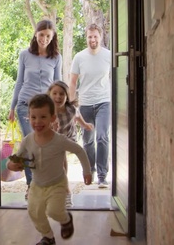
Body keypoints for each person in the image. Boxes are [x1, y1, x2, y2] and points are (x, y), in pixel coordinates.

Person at [7, 94, 92, 245]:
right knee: (34, 212)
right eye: (33, 117)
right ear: (28, 118)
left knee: (54, 211)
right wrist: (11, 165)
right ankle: (48, 237)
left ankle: (66, 220)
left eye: (43, 117)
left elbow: (79, 150)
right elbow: (16, 158)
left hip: (57, 184)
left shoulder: (59, 140)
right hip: (36, 185)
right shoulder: (28, 140)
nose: (37, 122)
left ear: (53, 118)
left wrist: (86, 171)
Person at [8, 19, 62, 199]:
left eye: (48, 36)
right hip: (25, 106)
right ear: (35, 34)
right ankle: (32, 186)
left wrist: (57, 111)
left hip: (46, 109)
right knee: (31, 145)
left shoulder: (56, 58)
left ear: (52, 36)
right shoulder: (25, 55)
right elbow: (19, 82)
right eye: (41, 35)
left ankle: (45, 185)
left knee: (44, 148)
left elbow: (57, 86)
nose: (44, 39)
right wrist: (12, 107)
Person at [69, 23, 111, 188]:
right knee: (87, 141)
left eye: (95, 36)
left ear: (100, 37)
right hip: (85, 103)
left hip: (103, 102)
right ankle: (90, 171)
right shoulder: (79, 57)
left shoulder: (108, 55)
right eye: (89, 36)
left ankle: (102, 175)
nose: (92, 39)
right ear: (86, 37)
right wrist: (72, 106)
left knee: (102, 136)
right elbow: (72, 83)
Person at [47, 80, 93, 206]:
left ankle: (65, 190)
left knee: (61, 158)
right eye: (55, 93)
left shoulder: (70, 109)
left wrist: (85, 125)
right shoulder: (47, 110)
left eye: (62, 94)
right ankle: (59, 188)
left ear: (67, 96)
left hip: (67, 137)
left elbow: (77, 117)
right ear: (49, 95)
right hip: (52, 138)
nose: (58, 97)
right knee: (58, 161)